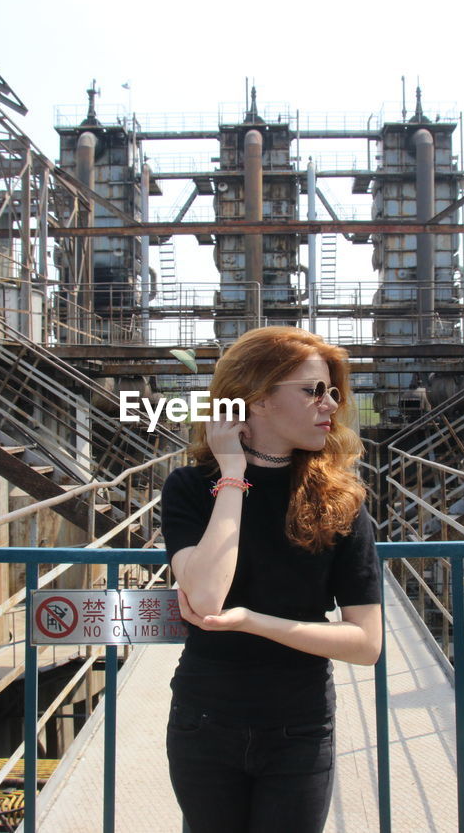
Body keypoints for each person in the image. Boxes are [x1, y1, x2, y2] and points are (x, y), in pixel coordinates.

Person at [160, 326, 382, 833]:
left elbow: (366, 644)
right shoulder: (191, 488)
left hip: (298, 727)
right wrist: (233, 473)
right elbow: (208, 596)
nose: (330, 405)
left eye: (332, 392)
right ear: (256, 400)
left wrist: (253, 621)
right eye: (313, 391)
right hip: (204, 721)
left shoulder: (341, 501)